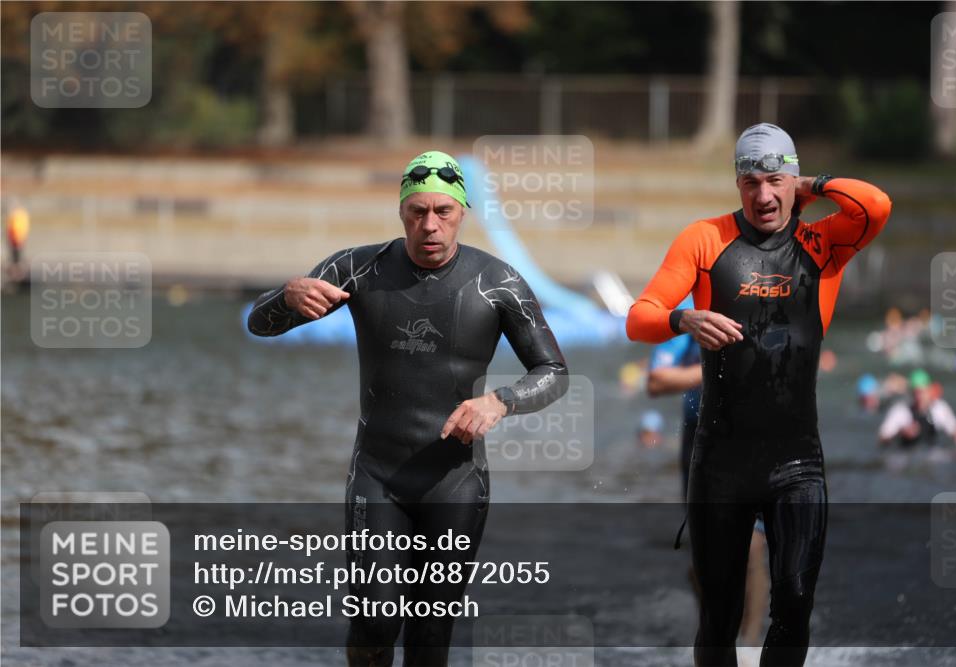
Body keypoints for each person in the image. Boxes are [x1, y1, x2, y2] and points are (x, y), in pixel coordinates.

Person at [247, 150, 569, 667]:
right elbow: (259, 325)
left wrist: (499, 401)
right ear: (401, 212)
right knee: (374, 619)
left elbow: (554, 373)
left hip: (456, 481)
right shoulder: (358, 267)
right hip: (377, 474)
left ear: (463, 212)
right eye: (418, 211)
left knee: (430, 632)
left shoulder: (499, 282)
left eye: (443, 211)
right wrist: (286, 297)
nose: (430, 225)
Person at [627, 123, 892, 666]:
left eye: (776, 180)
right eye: (751, 181)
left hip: (797, 463)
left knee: (793, 606)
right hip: (720, 462)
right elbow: (640, 318)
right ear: (737, 184)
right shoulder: (705, 239)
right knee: (718, 618)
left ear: (792, 182)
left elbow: (876, 204)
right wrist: (684, 318)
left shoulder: (822, 244)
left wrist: (811, 184)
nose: (764, 195)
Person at [646, 293, 769, 649]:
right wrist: (716, 368)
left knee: (753, 547)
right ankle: (715, 634)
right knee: (706, 550)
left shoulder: (766, 296)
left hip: (757, 438)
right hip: (702, 441)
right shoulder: (692, 316)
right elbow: (656, 381)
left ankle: (748, 645)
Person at [878, 369, 956, 458]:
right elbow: (882, 438)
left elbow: (955, 431)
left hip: (931, 454)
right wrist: (901, 433)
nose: (919, 397)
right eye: (915, 393)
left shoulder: (939, 409)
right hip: (904, 454)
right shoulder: (900, 411)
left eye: (922, 392)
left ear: (929, 390)